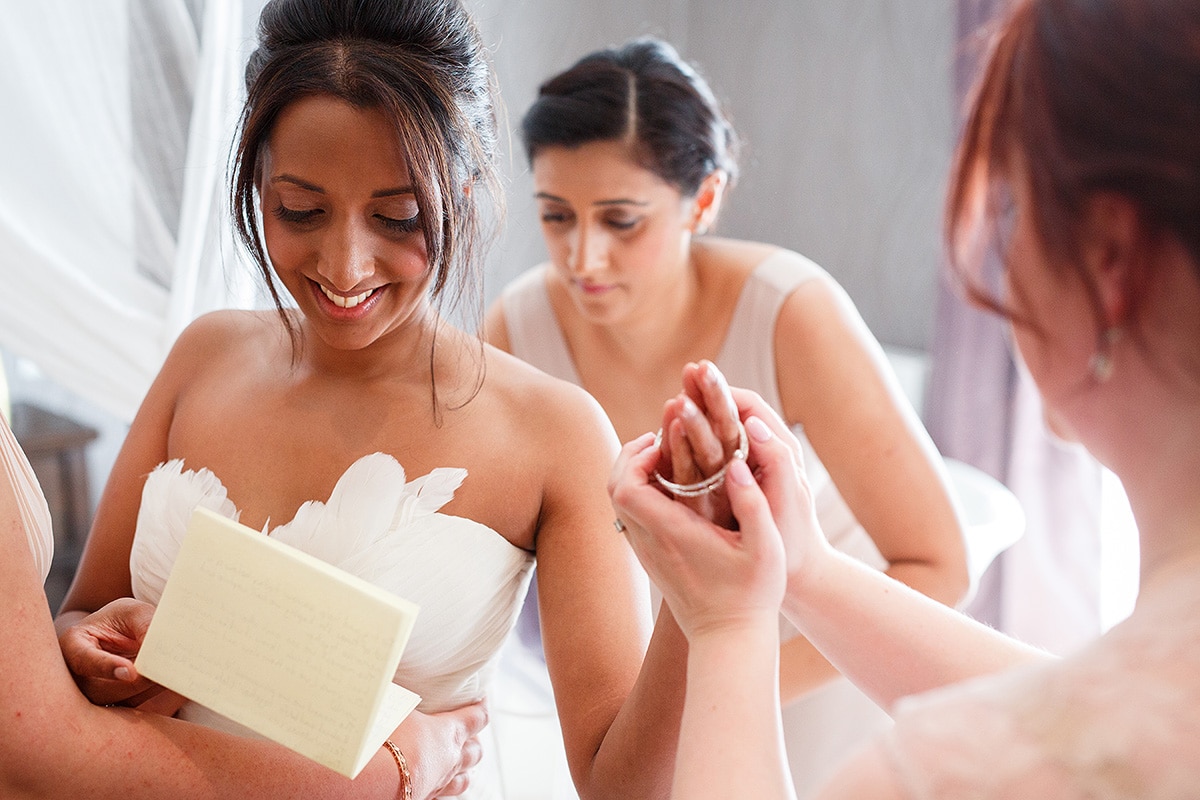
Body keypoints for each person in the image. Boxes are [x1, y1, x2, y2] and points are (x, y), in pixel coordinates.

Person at [54, 2, 688, 799]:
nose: (346, 267)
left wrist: (702, 607)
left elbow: (620, 785)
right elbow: (78, 616)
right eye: (300, 211)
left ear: (465, 190)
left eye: (398, 217)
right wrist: (85, 647)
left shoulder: (552, 433)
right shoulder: (204, 355)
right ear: (258, 182)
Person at [611, 0, 1200, 795]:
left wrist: (726, 626)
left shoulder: (945, 771)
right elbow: (1067, 689)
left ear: (1108, 257)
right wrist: (804, 567)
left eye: (1013, 207)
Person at [483, 35, 968, 793]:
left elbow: (940, 563)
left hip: (817, 663)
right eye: (556, 217)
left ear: (702, 201)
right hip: (648, 681)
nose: (582, 259)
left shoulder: (793, 312)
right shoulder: (515, 332)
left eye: (621, 222)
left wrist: (732, 682)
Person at [2, 408, 464, 799]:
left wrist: (83, 654)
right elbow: (29, 758)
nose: (345, 292)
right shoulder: (198, 354)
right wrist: (406, 766)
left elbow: (62, 629)